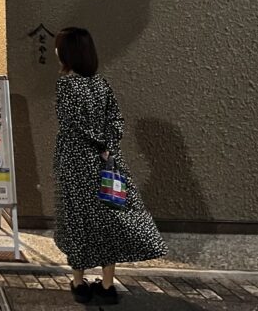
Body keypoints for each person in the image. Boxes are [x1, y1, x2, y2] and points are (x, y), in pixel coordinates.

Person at [53, 27, 166, 305]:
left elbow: (73, 124)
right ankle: (106, 285)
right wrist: (107, 146)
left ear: (67, 53)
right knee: (109, 217)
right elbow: (116, 119)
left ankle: (79, 283)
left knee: (78, 218)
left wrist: (96, 141)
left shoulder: (66, 86)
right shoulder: (101, 84)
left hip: (75, 160)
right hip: (107, 162)